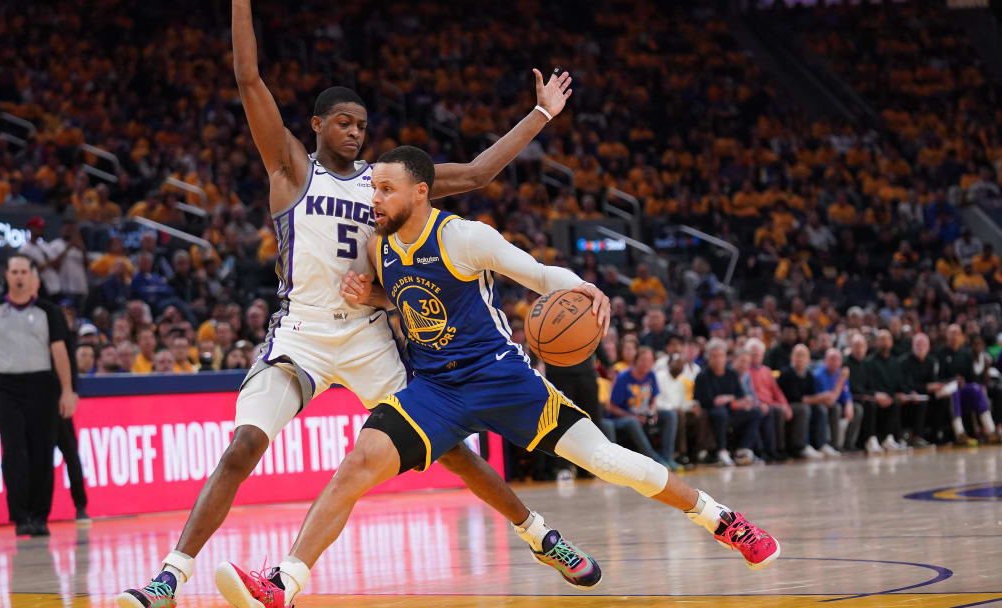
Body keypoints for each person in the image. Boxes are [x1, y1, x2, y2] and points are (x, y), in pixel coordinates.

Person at [116, 3, 590, 605]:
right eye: (343, 122)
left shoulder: (384, 180)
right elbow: (247, 78)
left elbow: (474, 175)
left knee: (449, 449)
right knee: (243, 448)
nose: (355, 132)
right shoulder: (290, 168)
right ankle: (169, 579)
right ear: (315, 125)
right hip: (302, 333)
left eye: (362, 124)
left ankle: (540, 534)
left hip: (370, 334)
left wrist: (541, 113)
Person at [214, 147, 779, 608]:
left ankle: (723, 520)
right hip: (435, 388)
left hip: (501, 377)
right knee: (356, 466)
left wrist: (583, 286)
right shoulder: (378, 245)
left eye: (384, 189)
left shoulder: (464, 237)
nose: (373, 198)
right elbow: (405, 296)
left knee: (606, 461)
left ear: (419, 192)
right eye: (372, 188)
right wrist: (373, 294)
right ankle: (283, 584)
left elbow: (538, 274)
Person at [0, 255, 78, 537]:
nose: (19, 276)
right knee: (14, 450)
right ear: (6, 275)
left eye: (24, 271)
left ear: (33, 278)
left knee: (42, 451)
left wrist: (68, 391)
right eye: (14, 271)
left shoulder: (49, 311)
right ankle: (20, 516)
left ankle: (39, 516)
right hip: (6, 386)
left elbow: (60, 353)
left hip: (42, 385)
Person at [695, 338, 762, 466]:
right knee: (720, 413)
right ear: (709, 358)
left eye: (721, 356)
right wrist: (727, 400)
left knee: (755, 412)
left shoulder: (731, 374)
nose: (718, 359)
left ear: (726, 357)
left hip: (731, 412)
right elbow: (706, 401)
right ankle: (722, 450)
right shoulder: (703, 376)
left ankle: (743, 449)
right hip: (713, 415)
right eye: (714, 356)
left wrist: (728, 399)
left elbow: (739, 395)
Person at [608, 347, 677, 469]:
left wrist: (653, 411)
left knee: (670, 415)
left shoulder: (651, 375)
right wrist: (633, 416)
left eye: (650, 360)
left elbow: (653, 400)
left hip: (643, 415)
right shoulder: (623, 377)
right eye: (643, 360)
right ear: (636, 361)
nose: (647, 363)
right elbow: (611, 407)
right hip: (622, 418)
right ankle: (655, 460)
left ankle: (667, 457)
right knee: (633, 422)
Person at [939, 324, 999, 445]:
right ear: (947, 335)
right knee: (954, 390)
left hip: (963, 389)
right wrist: (952, 380)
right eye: (952, 333)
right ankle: (960, 433)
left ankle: (991, 431)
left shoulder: (966, 354)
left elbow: (972, 377)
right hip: (947, 389)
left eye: (957, 333)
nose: (954, 336)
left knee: (977, 389)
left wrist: (964, 381)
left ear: (961, 336)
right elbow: (938, 377)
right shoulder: (941, 353)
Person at [898, 333, 946, 447]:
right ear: (912, 346)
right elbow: (905, 384)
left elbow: (933, 381)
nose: (920, 347)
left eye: (923, 344)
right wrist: (924, 388)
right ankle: (916, 437)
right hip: (909, 396)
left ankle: (938, 435)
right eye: (918, 344)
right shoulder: (904, 361)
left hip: (926, 395)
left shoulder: (932, 361)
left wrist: (939, 386)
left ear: (928, 347)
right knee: (921, 402)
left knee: (943, 400)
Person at [812, 348, 859, 454]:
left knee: (857, 409)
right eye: (832, 359)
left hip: (835, 403)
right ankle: (834, 444)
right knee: (835, 407)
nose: (835, 362)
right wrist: (841, 379)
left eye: (837, 359)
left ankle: (848, 444)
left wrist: (849, 404)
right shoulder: (819, 374)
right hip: (821, 405)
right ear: (825, 360)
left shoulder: (839, 373)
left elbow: (846, 395)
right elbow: (830, 400)